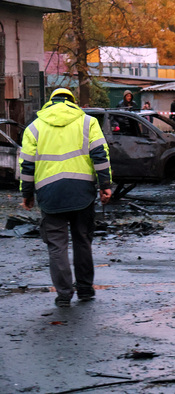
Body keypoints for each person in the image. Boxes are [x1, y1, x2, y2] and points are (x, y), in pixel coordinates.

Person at [19, 88, 112, 307]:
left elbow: (26, 165)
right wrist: (105, 185)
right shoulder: (88, 123)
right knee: (82, 241)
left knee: (56, 246)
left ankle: (63, 295)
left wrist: (27, 193)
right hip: (82, 193)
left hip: (50, 194)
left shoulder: (34, 127)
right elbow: (100, 155)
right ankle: (86, 290)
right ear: (73, 101)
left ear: (50, 102)